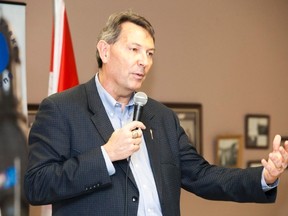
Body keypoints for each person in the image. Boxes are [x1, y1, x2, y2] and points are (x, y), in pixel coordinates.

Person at [24, 10, 288, 216]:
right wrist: (106, 155)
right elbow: (37, 185)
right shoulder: (61, 109)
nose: (144, 61)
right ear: (104, 51)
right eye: (134, 50)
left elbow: (202, 175)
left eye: (150, 53)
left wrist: (264, 177)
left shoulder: (161, 117)